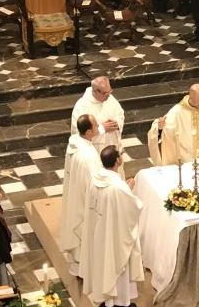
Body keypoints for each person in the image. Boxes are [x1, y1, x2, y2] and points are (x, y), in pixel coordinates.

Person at [80, 145, 144, 306]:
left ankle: (107, 300)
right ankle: (120, 302)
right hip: (114, 237)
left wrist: (125, 190)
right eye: (121, 154)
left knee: (103, 266)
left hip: (99, 234)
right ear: (117, 161)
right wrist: (129, 190)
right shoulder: (118, 187)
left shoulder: (95, 179)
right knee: (116, 268)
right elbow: (135, 207)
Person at [61, 115, 102, 277]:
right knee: (83, 234)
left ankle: (78, 267)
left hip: (75, 193)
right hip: (84, 200)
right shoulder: (87, 157)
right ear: (89, 131)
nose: (98, 128)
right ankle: (85, 270)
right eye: (96, 126)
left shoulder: (74, 143)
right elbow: (94, 185)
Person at [148, 84, 199, 165]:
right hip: (186, 159)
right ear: (191, 98)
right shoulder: (177, 111)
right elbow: (165, 130)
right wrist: (159, 128)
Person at [71, 76, 125, 152]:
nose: (108, 95)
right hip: (94, 152)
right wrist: (102, 128)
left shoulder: (110, 99)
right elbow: (79, 132)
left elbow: (120, 114)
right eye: (105, 93)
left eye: (110, 91)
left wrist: (117, 123)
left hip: (113, 147)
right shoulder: (82, 106)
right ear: (96, 91)